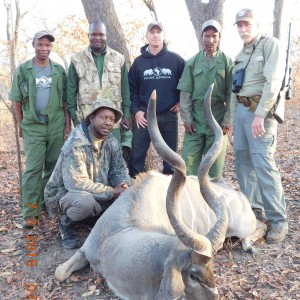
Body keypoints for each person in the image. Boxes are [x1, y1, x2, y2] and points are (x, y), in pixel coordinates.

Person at [229, 8, 288, 243]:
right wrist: (233, 123)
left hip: (261, 112)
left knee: (263, 164)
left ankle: (277, 220)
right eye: (240, 25)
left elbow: (273, 82)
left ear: (257, 25)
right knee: (243, 164)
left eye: (247, 24)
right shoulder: (240, 54)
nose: (243, 29)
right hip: (242, 113)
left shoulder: (269, 45)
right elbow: (235, 91)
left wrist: (260, 115)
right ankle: (255, 214)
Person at [44, 99, 131, 249]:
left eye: (111, 119)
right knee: (85, 203)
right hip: (64, 193)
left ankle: (90, 218)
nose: (108, 122)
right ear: (92, 118)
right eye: (103, 117)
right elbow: (76, 183)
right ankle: (66, 223)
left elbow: (119, 169)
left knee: (134, 186)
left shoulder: (111, 141)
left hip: (95, 188)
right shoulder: (76, 142)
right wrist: (112, 192)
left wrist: (122, 184)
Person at [9, 30, 71, 229]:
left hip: (56, 124)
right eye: (40, 44)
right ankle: (30, 211)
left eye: (48, 45)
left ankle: (45, 203)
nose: (44, 48)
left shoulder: (59, 70)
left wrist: (67, 126)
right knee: (33, 169)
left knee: (53, 168)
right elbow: (17, 101)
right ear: (33, 45)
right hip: (33, 126)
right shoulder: (23, 70)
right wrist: (22, 125)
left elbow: (65, 101)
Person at [67, 21, 132, 160]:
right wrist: (75, 119)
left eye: (101, 35)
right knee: (89, 160)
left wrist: (126, 114)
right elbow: (70, 92)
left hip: (112, 123)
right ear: (88, 35)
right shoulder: (76, 60)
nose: (97, 38)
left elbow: (125, 90)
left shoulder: (119, 59)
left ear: (106, 36)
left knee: (113, 160)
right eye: (94, 34)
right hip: (86, 122)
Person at [177, 20, 233, 179]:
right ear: (202, 37)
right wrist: (187, 120)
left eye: (214, 36)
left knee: (215, 170)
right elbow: (185, 93)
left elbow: (231, 95)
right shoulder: (192, 63)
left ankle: (211, 201)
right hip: (196, 120)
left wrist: (227, 121)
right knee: (187, 167)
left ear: (219, 37)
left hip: (218, 121)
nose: (210, 40)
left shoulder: (228, 62)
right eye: (206, 36)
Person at [128, 21, 185, 177]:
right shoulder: (138, 62)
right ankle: (135, 187)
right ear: (146, 36)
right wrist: (136, 111)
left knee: (170, 157)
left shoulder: (175, 60)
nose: (155, 35)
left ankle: (169, 190)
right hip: (144, 117)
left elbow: (187, 83)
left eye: (158, 32)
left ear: (163, 35)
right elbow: (131, 89)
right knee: (137, 155)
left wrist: (181, 101)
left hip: (169, 115)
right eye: (151, 32)